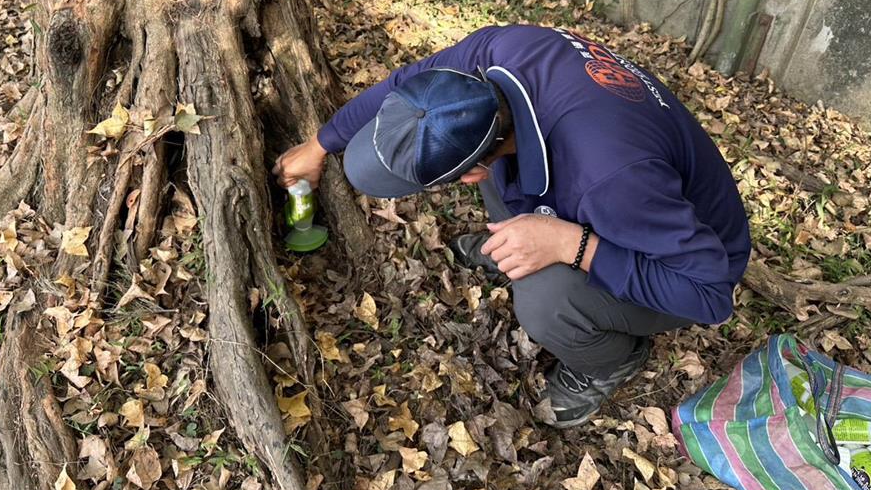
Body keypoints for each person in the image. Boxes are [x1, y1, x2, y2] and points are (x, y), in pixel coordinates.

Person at [273, 24, 751, 428]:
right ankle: (521, 239)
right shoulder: (495, 56)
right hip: (615, 182)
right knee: (514, 188)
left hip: (689, 258)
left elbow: (710, 296)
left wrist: (572, 245)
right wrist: (320, 145)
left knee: (545, 298)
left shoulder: (610, 181)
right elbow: (403, 81)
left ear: (470, 174)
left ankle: (611, 362)